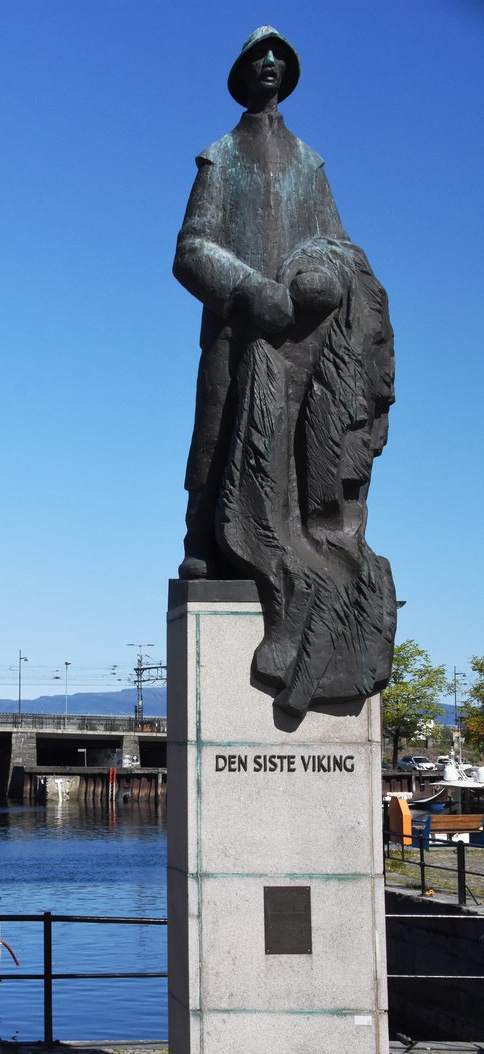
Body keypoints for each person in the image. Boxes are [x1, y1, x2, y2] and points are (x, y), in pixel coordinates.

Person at [174, 27, 396, 716]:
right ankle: (205, 540)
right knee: (216, 436)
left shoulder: (311, 163)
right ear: (242, 75)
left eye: (281, 58)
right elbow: (190, 251)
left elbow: (337, 242)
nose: (269, 64)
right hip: (240, 330)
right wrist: (250, 290)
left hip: (301, 338)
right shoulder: (219, 157)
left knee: (301, 455)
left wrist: (318, 279)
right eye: (258, 58)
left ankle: (297, 551)